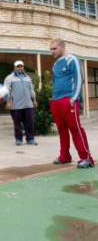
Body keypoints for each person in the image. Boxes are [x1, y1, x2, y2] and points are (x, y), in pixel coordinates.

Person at [49, 39, 94, 168]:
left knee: (76, 130)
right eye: (50, 49)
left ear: (62, 47)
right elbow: (55, 82)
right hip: (56, 101)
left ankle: (86, 158)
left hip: (69, 100)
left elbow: (79, 78)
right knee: (61, 130)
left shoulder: (72, 59)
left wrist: (74, 98)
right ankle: (65, 156)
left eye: (54, 48)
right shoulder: (55, 64)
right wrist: (53, 98)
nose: (52, 52)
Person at [4, 60, 37, 146]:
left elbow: (31, 90)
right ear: (14, 68)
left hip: (28, 104)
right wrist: (8, 102)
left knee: (30, 122)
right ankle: (18, 139)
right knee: (17, 124)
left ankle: (30, 139)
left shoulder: (28, 78)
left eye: (21, 66)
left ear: (23, 67)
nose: (20, 68)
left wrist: (34, 100)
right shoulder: (9, 78)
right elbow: (7, 91)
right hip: (16, 105)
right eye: (18, 66)